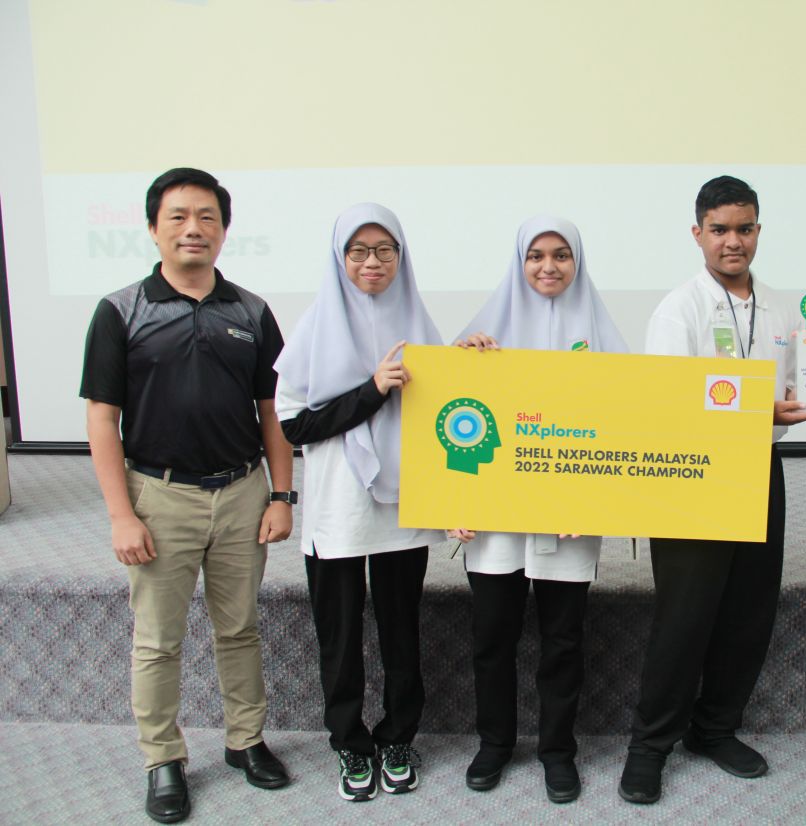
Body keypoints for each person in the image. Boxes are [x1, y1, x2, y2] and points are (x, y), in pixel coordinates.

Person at [80, 168, 294, 824]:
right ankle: (163, 758)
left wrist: (281, 494)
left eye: (207, 217)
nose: (193, 228)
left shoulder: (251, 311)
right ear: (153, 228)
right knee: (158, 638)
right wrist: (121, 514)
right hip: (158, 498)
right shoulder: (121, 311)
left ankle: (245, 740)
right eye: (177, 217)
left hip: (241, 492)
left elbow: (273, 412)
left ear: (224, 231)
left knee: (239, 628)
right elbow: (100, 418)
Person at [619, 175, 806, 805]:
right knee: (685, 619)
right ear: (698, 234)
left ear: (758, 230)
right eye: (720, 230)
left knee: (747, 614)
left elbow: (790, 389)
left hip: (760, 472)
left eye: (745, 228)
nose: (733, 241)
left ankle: (714, 728)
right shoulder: (678, 309)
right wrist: (761, 413)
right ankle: (649, 746)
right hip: (691, 476)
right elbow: (668, 408)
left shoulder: (783, 308)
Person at [451, 216, 628, 804]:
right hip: (496, 518)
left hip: (568, 517)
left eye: (561, 255)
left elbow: (622, 426)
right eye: (535, 256)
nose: (548, 267)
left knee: (563, 639)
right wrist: (460, 358)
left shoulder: (602, 336)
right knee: (492, 636)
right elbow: (450, 418)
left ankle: (558, 750)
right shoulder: (484, 333)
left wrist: (598, 500)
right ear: (518, 262)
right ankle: (495, 743)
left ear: (578, 262)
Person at [275, 203, 445, 801]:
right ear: (340, 258)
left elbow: (454, 414)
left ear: (401, 257)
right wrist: (371, 391)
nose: (373, 263)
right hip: (337, 510)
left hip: (404, 505)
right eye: (359, 251)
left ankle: (399, 735)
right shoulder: (314, 327)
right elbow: (296, 425)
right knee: (340, 634)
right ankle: (350, 743)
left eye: (385, 250)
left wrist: (476, 360)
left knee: (402, 630)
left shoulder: (420, 325)